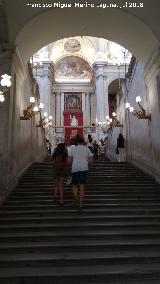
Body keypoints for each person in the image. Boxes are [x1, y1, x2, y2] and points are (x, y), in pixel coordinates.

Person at [69, 137, 93, 209]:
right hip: (84, 168)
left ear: (76, 142)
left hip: (75, 168)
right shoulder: (87, 149)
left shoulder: (72, 149)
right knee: (82, 187)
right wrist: (85, 161)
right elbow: (91, 160)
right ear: (83, 142)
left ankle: (76, 197)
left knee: (74, 185)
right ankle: (81, 205)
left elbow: (69, 160)